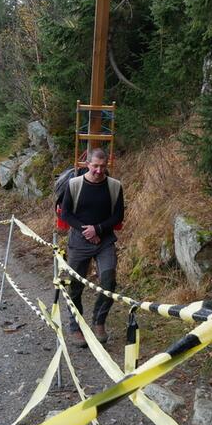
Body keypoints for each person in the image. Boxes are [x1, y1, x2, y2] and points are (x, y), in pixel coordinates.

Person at [59, 148, 124, 347]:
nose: (98, 170)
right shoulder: (74, 184)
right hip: (79, 241)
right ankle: (76, 327)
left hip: (104, 240)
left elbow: (118, 216)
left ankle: (99, 321)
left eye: (103, 167)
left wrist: (97, 229)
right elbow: (65, 213)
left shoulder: (115, 186)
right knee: (75, 285)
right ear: (87, 164)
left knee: (108, 279)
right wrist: (85, 230)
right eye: (95, 166)